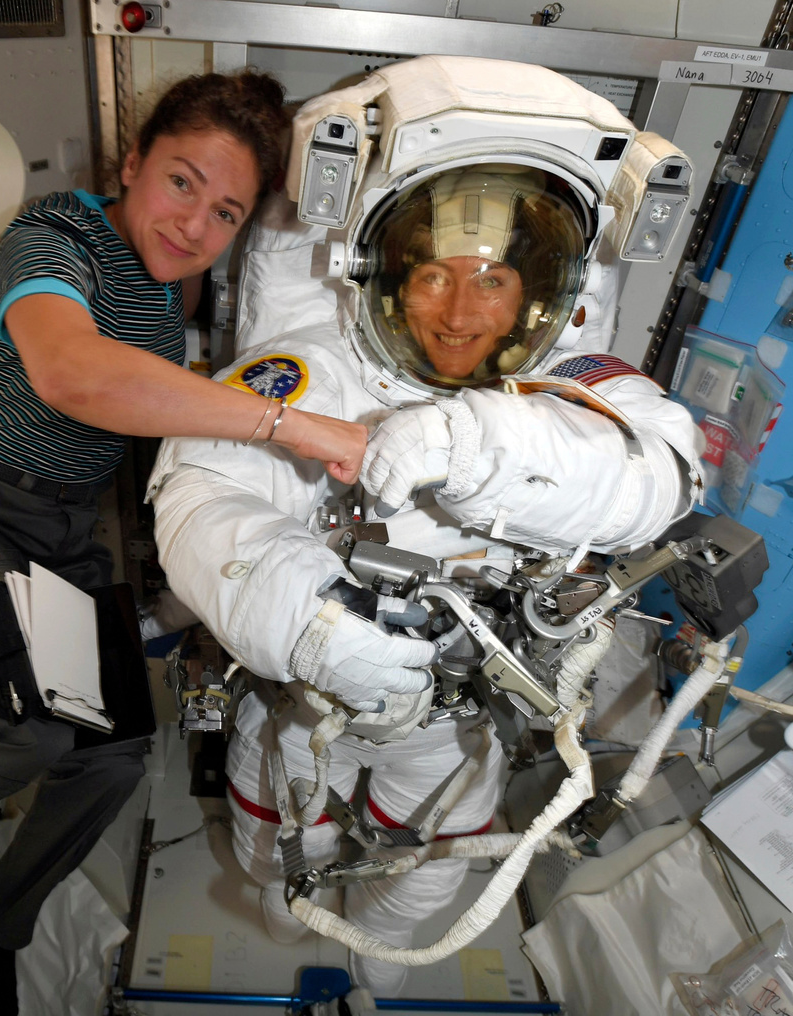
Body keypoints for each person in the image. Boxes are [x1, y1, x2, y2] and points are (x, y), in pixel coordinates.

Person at [0, 69, 366, 1014]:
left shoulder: (179, 284)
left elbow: (164, 386)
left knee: (112, 758)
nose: (192, 225)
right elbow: (71, 372)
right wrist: (292, 427)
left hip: (63, 536)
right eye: (180, 182)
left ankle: (0, 922)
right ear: (132, 163)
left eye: (224, 211)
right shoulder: (57, 232)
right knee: (26, 718)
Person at [148, 56, 704, 997]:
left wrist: (479, 439)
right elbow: (199, 491)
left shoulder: (571, 384)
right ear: (384, 272)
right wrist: (312, 620)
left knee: (432, 870)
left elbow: (663, 477)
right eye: (432, 276)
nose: (458, 314)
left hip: (456, 728)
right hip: (306, 699)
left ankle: (379, 970)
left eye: (491, 281)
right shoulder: (312, 368)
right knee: (275, 845)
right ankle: (291, 926)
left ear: (539, 289)